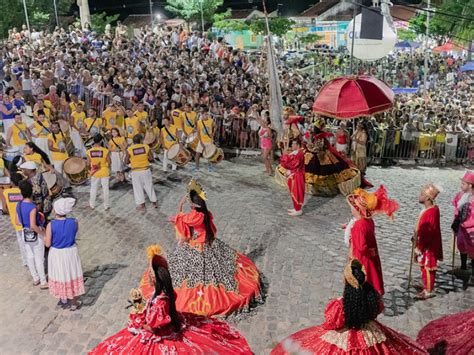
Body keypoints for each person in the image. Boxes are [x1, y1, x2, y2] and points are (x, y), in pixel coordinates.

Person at [90, 245, 252, 354]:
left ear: (154, 280)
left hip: (161, 336)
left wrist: (137, 320)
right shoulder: (164, 294)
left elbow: (153, 328)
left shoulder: (161, 303)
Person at [140, 179, 262, 317]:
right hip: (209, 243)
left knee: (188, 274)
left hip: (196, 246)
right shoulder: (206, 214)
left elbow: (180, 219)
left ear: (192, 204)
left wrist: (181, 204)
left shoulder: (193, 217)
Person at [271, 259, 427, 354]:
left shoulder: (341, 304)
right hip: (370, 332)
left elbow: (332, 323)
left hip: (344, 336)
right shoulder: (371, 297)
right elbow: (377, 310)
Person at [345, 186, 399, 295]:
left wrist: (352, 235)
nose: (351, 208)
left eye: (352, 207)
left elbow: (361, 247)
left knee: (363, 283)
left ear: (357, 209)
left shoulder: (359, 226)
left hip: (361, 260)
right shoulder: (367, 221)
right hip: (371, 258)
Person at [44, 197, 84, 310]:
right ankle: (74, 302)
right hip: (70, 252)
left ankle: (63, 298)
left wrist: (44, 239)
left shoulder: (51, 225)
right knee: (71, 274)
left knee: (60, 274)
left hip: (57, 254)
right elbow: (74, 233)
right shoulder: (74, 222)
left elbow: (47, 244)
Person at [15, 180, 48, 289]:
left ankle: (35, 278)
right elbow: (33, 225)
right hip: (35, 234)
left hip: (25, 233)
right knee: (39, 258)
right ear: (31, 192)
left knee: (30, 256)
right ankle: (43, 281)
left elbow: (17, 222)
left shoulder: (18, 205)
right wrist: (43, 233)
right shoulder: (32, 207)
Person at [413, 183, 443, 300]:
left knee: (428, 267)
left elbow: (427, 232)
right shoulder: (429, 210)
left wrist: (420, 246)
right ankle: (426, 285)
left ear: (427, 198)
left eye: (421, 194)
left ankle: (429, 290)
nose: (419, 196)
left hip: (428, 246)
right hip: (424, 243)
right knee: (423, 266)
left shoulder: (431, 212)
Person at [124, 134, 158, 211]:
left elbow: (125, 161)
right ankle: (154, 203)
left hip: (136, 172)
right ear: (141, 140)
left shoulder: (130, 149)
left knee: (138, 188)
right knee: (149, 186)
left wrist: (133, 160)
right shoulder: (146, 147)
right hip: (146, 170)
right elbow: (151, 158)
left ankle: (142, 206)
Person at [452, 171, 474, 285]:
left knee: (473, 250)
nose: (461, 186)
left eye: (464, 184)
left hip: (471, 228)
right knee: (461, 245)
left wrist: (467, 224)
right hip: (461, 226)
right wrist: (456, 221)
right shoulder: (460, 195)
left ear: (470, 185)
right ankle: (463, 266)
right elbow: (456, 207)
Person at [2, 172, 26, 267]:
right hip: (27, 220)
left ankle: (25, 261)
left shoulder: (6, 192)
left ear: (12, 182)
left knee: (21, 242)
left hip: (16, 222)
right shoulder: (24, 191)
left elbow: (4, 209)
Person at [280, 139, 305, 216]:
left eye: (294, 144)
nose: (292, 145)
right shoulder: (295, 153)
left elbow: (294, 164)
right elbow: (288, 162)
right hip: (294, 175)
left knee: (297, 192)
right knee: (293, 192)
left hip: (297, 176)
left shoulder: (299, 154)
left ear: (298, 145)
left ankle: (298, 209)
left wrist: (284, 155)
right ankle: (295, 207)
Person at [86, 134, 110, 210]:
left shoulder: (89, 151)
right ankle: (106, 206)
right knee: (105, 189)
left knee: (93, 188)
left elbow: (87, 163)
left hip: (94, 171)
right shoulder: (105, 150)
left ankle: (92, 205)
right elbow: (109, 162)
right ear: (101, 141)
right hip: (104, 171)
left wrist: (90, 170)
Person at [194, 107, 216, 172]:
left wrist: (213, 133)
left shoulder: (211, 120)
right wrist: (200, 142)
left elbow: (216, 127)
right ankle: (196, 167)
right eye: (205, 114)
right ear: (202, 115)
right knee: (197, 155)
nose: (206, 116)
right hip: (202, 141)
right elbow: (198, 133)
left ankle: (209, 167)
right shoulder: (199, 122)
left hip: (209, 141)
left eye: (207, 114)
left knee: (209, 155)